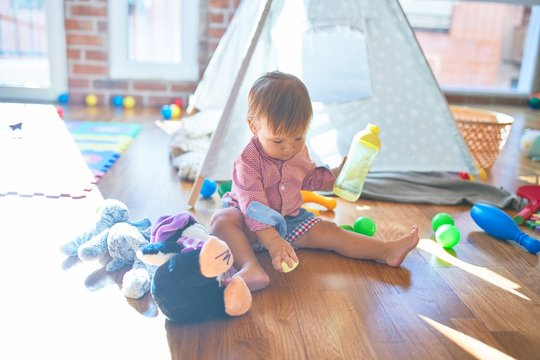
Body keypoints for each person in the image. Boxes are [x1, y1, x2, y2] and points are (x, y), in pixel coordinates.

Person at [211, 71, 419, 292]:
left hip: (290, 220)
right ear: (254, 126)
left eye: (298, 138)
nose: (289, 148)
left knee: (332, 233)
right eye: (278, 140)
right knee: (222, 221)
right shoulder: (248, 161)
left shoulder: (296, 152)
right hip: (249, 227)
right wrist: (273, 242)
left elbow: (309, 177)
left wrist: (337, 175)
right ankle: (251, 266)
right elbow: (253, 207)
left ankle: (386, 251)